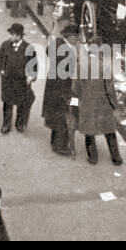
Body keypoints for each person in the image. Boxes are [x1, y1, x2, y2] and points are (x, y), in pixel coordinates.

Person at [73, 39, 123, 165]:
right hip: (103, 104)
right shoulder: (105, 65)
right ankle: (116, 158)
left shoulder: (80, 65)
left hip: (87, 103)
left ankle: (93, 158)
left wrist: (76, 102)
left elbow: (75, 87)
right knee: (109, 131)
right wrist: (115, 105)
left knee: (89, 132)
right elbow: (110, 89)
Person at [43, 25, 78, 157]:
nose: (77, 39)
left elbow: (47, 51)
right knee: (63, 116)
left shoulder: (57, 43)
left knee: (55, 114)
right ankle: (60, 146)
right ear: (71, 36)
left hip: (52, 85)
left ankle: (54, 141)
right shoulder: (67, 50)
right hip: (62, 87)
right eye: (76, 37)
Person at [0, 23, 38, 134]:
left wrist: (31, 77)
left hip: (21, 82)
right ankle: (6, 124)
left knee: (21, 103)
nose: (10, 36)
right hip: (8, 80)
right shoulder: (5, 45)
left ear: (19, 36)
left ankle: (19, 124)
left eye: (12, 34)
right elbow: (0, 59)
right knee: (7, 103)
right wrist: (1, 69)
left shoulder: (29, 48)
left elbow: (33, 65)